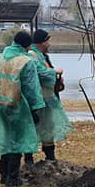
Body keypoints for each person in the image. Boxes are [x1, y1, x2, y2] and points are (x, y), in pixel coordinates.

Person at [0, 30, 45, 186]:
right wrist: (35, 108)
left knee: (6, 138)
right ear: (28, 45)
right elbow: (31, 88)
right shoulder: (26, 61)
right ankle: (13, 177)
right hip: (18, 105)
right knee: (18, 140)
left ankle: (4, 175)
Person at [26, 29, 73, 162]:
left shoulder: (42, 56)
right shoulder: (32, 56)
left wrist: (58, 80)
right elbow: (40, 73)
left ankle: (50, 157)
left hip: (47, 99)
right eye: (48, 41)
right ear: (42, 42)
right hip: (38, 101)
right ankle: (29, 159)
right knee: (34, 128)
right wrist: (54, 72)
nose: (49, 44)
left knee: (48, 128)